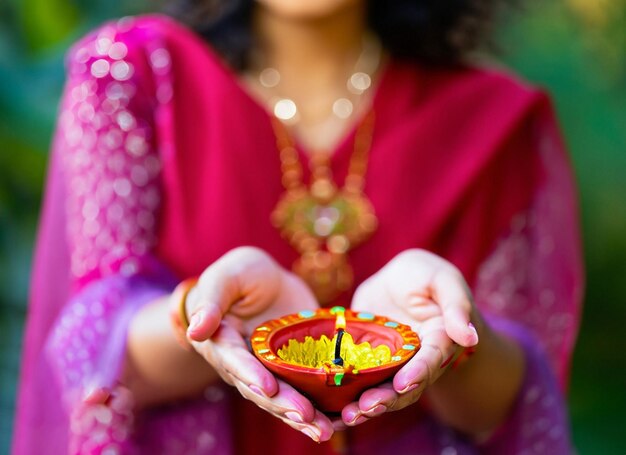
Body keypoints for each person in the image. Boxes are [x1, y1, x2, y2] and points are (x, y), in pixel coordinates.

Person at [13, 0, 583, 453]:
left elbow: (507, 407)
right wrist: (203, 315)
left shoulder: (495, 121)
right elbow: (89, 354)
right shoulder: (135, 76)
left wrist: (455, 337)